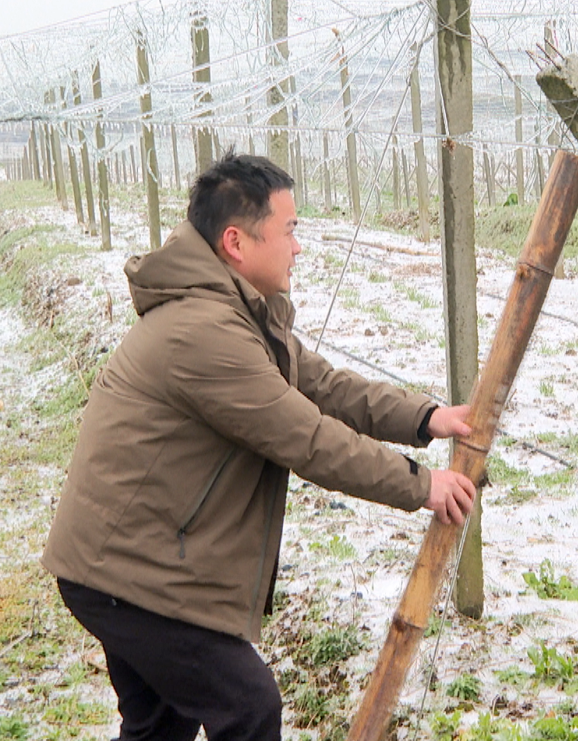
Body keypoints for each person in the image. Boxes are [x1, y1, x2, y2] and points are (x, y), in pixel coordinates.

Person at [41, 151, 476, 741]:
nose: (298, 247)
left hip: (129, 563)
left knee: (161, 723)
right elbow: (306, 437)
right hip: (127, 574)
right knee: (247, 708)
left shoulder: (233, 311)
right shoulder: (204, 332)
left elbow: (322, 384)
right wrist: (423, 485)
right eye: (289, 231)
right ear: (236, 243)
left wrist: (426, 419)